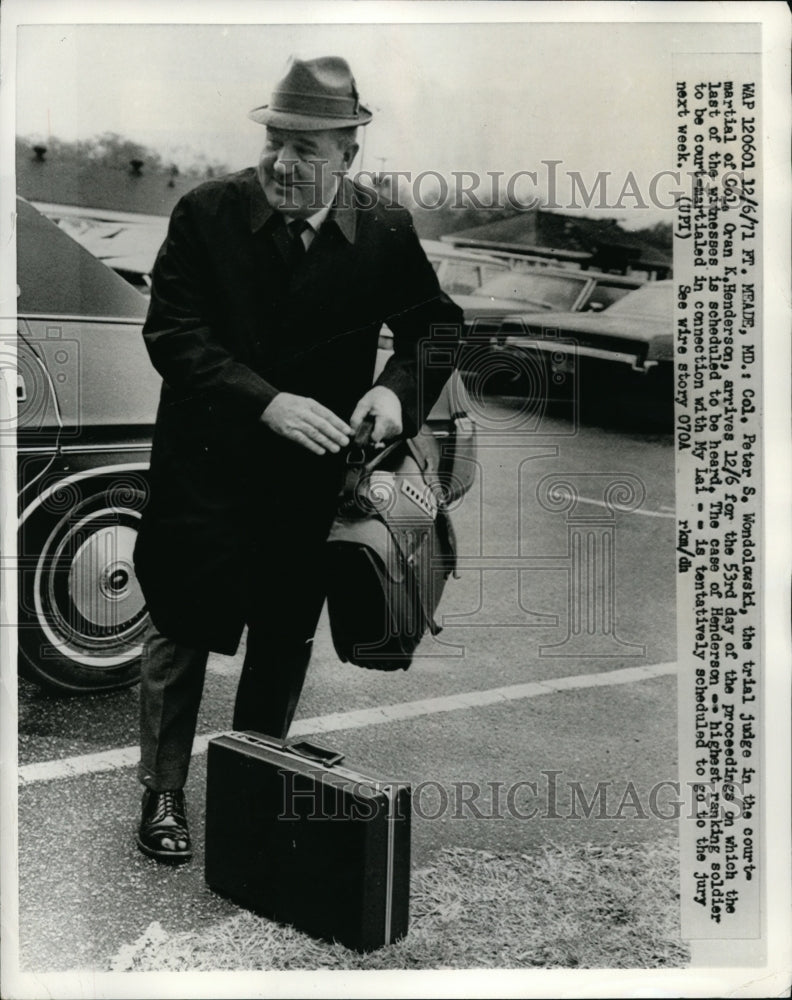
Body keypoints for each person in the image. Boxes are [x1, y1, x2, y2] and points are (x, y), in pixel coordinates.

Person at [132, 55, 463, 863]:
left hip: (306, 486)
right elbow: (172, 333)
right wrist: (266, 400)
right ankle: (163, 792)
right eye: (275, 141)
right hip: (203, 471)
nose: (283, 163)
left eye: (307, 149)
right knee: (181, 628)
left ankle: (252, 779)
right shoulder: (205, 212)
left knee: (284, 635)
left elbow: (439, 329)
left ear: (350, 156)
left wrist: (394, 392)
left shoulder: (382, 230)